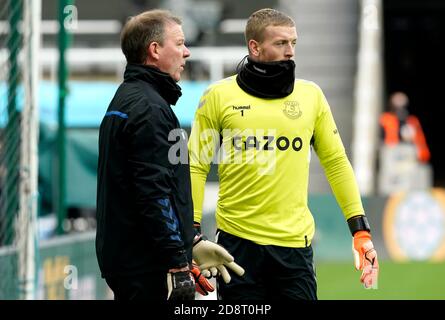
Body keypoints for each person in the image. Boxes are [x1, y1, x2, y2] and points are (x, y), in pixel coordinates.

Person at [188, 8, 379, 300]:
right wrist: (193, 233)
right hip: (237, 248)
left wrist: (360, 230)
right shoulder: (218, 96)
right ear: (255, 46)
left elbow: (336, 162)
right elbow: (196, 166)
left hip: (294, 249)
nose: (290, 52)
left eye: (293, 43)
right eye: (280, 43)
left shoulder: (310, 95)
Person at [96, 9, 242, 301]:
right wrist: (177, 261)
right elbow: (154, 193)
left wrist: (193, 243)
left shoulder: (129, 98)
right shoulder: (150, 109)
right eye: (179, 43)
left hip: (132, 261)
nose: (187, 53)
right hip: (147, 265)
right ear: (154, 50)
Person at [380, 91, 430, 163]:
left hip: (408, 152)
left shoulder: (412, 121)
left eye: (401, 99)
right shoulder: (385, 119)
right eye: (398, 99)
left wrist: (423, 155)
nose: (400, 102)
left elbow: (420, 139)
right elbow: (380, 136)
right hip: (390, 151)